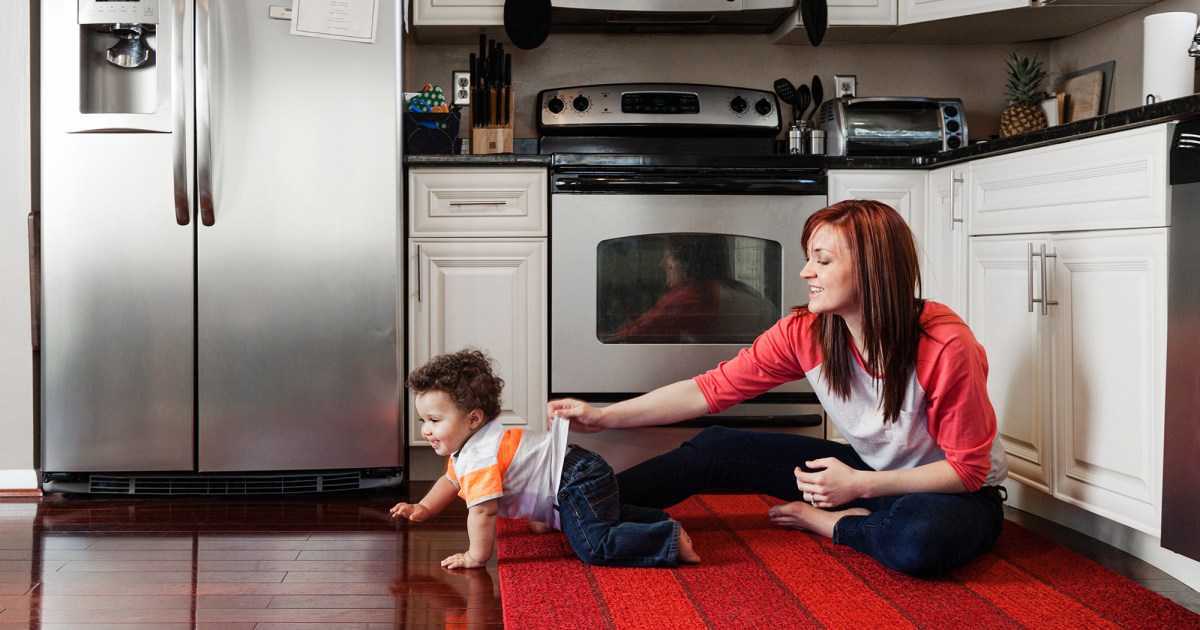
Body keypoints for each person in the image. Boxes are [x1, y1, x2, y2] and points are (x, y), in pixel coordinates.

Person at [548, 199, 1009, 577]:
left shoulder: (945, 344)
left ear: (873, 270)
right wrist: (603, 415)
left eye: (822, 260)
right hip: (866, 475)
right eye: (809, 257)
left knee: (918, 541)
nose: (807, 272)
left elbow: (966, 471)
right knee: (716, 447)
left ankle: (835, 526)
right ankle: (574, 504)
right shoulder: (807, 330)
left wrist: (855, 490)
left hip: (954, 493)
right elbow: (708, 390)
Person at [390, 348, 700, 569]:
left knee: (593, 545)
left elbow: (482, 512)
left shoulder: (480, 457)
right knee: (584, 517)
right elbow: (449, 480)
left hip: (576, 479)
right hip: (577, 470)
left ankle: (665, 538)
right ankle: (653, 519)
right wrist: (425, 508)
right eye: (423, 422)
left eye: (434, 420)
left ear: (473, 419)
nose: (426, 431)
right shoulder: (473, 447)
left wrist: (475, 556)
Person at [610, 234, 779, 343]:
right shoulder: (728, 288)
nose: (663, 264)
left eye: (669, 256)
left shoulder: (693, 295)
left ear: (687, 260)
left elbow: (636, 334)